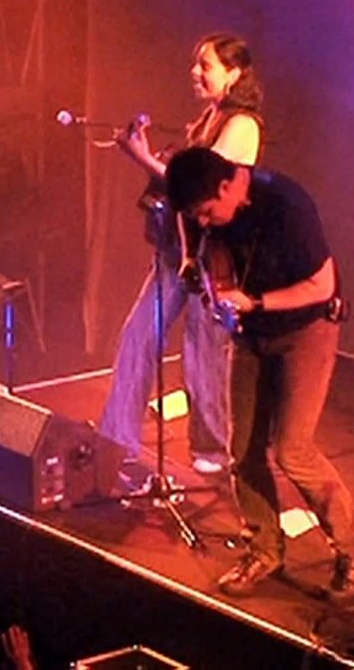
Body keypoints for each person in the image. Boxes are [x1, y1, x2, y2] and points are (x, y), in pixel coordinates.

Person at [162, 146, 354, 600]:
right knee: (242, 450)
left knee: (292, 450)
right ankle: (264, 549)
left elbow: (322, 286)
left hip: (305, 329)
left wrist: (255, 303)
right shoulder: (205, 206)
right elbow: (188, 218)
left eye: (207, 212)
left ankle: (353, 544)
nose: (204, 222)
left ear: (226, 187)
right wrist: (190, 258)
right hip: (250, 335)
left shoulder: (287, 205)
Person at [99, 33, 264, 477]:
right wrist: (151, 157)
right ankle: (115, 439)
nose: (195, 72)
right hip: (179, 250)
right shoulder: (210, 118)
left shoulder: (242, 125)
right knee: (138, 337)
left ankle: (213, 449)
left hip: (214, 258)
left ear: (233, 73)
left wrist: (141, 158)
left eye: (205, 65)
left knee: (203, 353)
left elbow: (201, 188)